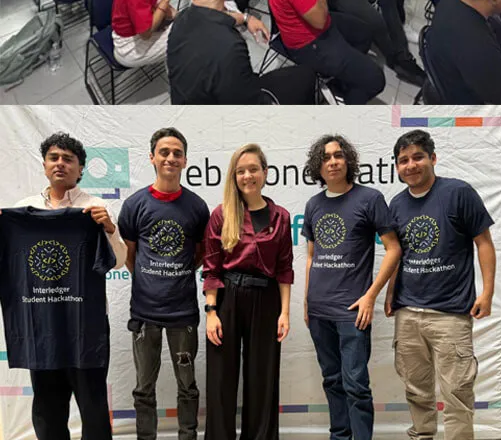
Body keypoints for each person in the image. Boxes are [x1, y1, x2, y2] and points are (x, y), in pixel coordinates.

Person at [11, 132, 126, 440]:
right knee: (48, 408)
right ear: (45, 165)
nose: (60, 164)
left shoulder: (94, 208)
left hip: (84, 325)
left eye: (68, 159)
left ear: (80, 168)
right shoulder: (23, 211)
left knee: (93, 405)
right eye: (54, 157)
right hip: (41, 324)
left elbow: (117, 262)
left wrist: (109, 229)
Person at [384, 130, 496, 440]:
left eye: (418, 157)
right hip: (408, 314)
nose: (411, 165)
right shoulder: (396, 204)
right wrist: (391, 293)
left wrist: (487, 292)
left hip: (450, 315)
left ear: (433, 158)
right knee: (415, 389)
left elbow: (483, 242)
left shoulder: (458, 193)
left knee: (457, 394)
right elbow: (397, 253)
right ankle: (423, 436)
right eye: (403, 160)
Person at [302, 135, 402, 440]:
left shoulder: (369, 199)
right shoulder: (313, 204)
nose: (333, 161)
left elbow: (393, 248)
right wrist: (307, 302)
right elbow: (310, 256)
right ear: (317, 166)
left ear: (349, 162)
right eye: (326, 157)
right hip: (319, 311)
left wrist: (371, 295)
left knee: (356, 384)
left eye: (338, 155)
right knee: (332, 380)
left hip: (352, 310)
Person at [118, 128, 210, 440]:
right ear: (152, 157)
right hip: (144, 314)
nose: (170, 157)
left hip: (182, 314)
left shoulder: (197, 207)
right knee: (144, 388)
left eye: (177, 153)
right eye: (164, 152)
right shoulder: (134, 205)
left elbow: (198, 254)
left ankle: (188, 436)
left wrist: (175, 275)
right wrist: (150, 279)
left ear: (185, 160)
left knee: (188, 386)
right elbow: (130, 256)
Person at [202, 144, 294, 440]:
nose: (247, 176)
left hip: (265, 300)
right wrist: (211, 312)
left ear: (265, 173)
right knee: (221, 379)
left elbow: (284, 269)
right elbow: (212, 267)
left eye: (253, 169)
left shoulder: (280, 216)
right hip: (228, 297)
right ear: (233, 176)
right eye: (240, 171)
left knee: (262, 378)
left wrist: (285, 312)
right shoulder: (221, 214)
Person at [168, 0, 315, 104]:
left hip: (189, 98)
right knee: (306, 76)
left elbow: (217, 15)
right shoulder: (230, 45)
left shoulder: (181, 19)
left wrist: (246, 18)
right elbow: (247, 102)